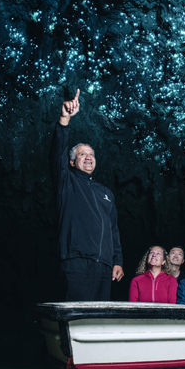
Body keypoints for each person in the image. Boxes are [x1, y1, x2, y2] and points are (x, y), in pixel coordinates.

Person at [50, 89, 124, 301]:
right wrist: (65, 119)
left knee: (99, 318)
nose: (88, 158)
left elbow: (113, 230)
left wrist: (117, 260)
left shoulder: (106, 193)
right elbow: (57, 156)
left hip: (104, 266)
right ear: (72, 161)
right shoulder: (67, 181)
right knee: (77, 315)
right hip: (76, 262)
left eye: (91, 155)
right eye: (83, 154)